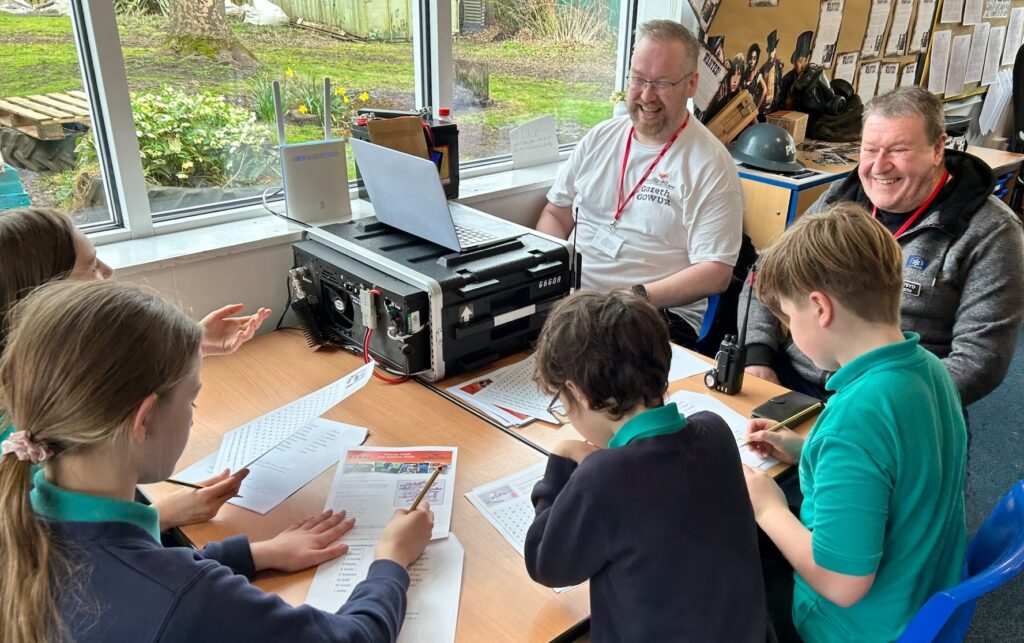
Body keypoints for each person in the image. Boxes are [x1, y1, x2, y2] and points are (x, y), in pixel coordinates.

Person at [0, 279, 434, 642]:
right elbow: (353, 638)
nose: (193, 414)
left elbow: (133, 567)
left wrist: (255, 554)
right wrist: (392, 559)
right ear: (143, 419)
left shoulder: (26, 501)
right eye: (193, 400)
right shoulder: (184, 599)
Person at [743, 203, 967, 641]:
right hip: (916, 594)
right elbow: (897, 468)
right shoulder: (928, 368)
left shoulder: (855, 420)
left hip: (849, 626)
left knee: (720, 578)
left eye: (788, 316)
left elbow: (842, 584)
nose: (788, 329)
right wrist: (803, 449)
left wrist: (766, 506)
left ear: (819, 308)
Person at [742, 87, 1024, 407]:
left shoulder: (993, 231)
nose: (879, 166)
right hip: (798, 378)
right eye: (869, 149)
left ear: (937, 149)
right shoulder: (842, 195)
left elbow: (980, 360)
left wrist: (874, 404)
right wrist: (758, 356)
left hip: (900, 402)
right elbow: (768, 272)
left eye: (898, 150)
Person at [0, 206, 275, 530]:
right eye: (91, 269)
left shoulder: (33, 384)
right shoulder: (35, 434)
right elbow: (68, 545)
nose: (109, 271)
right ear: (48, 299)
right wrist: (164, 513)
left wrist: (191, 342)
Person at [524, 290, 767, 642]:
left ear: (578, 394)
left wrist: (561, 463)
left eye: (563, 403)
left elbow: (545, 563)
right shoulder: (715, 431)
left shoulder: (602, 478)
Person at [536, 19, 744, 346]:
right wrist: (549, 273)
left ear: (691, 84)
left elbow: (715, 272)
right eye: (638, 79)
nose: (646, 95)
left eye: (662, 83)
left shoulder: (711, 165)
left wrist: (632, 296)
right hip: (573, 301)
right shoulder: (600, 138)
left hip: (650, 313)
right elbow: (557, 214)